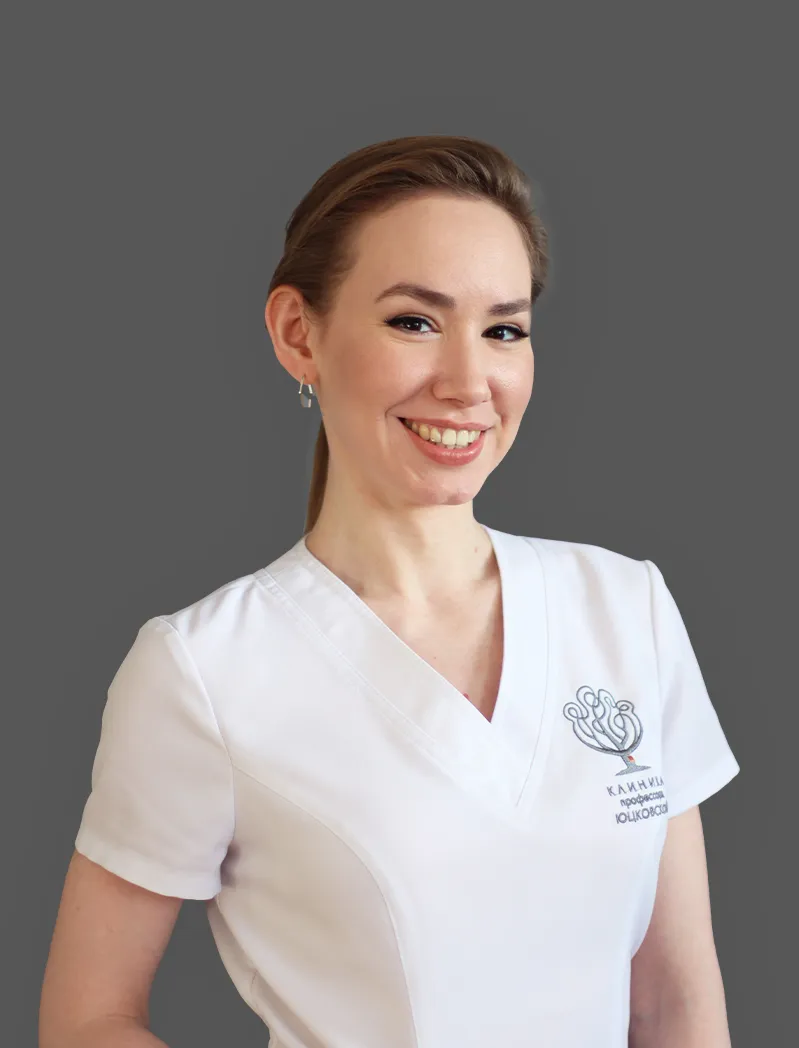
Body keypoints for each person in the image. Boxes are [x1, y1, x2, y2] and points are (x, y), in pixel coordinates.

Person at [40, 135, 740, 1048]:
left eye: (503, 330)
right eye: (414, 321)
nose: (468, 383)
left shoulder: (623, 607)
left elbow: (673, 1003)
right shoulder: (205, 670)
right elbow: (88, 1018)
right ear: (299, 335)